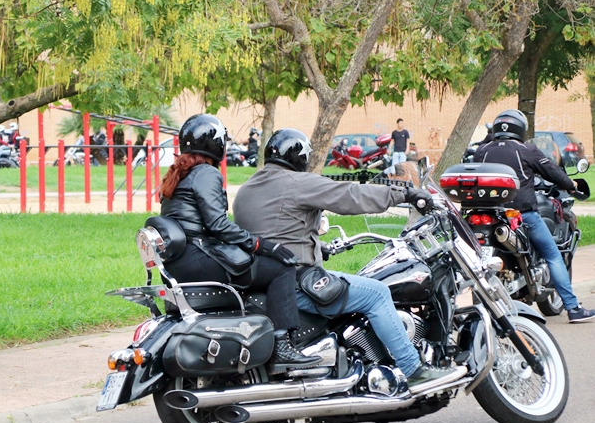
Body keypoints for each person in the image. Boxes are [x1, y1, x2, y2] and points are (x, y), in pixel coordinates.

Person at [232, 128, 465, 392]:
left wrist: (318, 247)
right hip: (294, 283)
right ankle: (414, 370)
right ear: (301, 158)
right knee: (376, 293)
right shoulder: (297, 183)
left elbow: (275, 232)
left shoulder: (248, 188)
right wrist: (404, 194)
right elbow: (350, 195)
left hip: (267, 280)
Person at [159, 115, 319, 367]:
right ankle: (282, 345)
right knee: (281, 267)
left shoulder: (179, 174)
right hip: (199, 259)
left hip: (179, 263)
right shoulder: (206, 173)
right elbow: (217, 225)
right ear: (216, 144)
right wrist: (263, 245)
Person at [474, 109, 594, 323]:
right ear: (520, 128)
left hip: (488, 215)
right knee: (553, 255)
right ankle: (573, 308)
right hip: (521, 215)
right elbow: (553, 173)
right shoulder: (526, 150)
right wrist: (572, 185)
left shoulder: (482, 151)